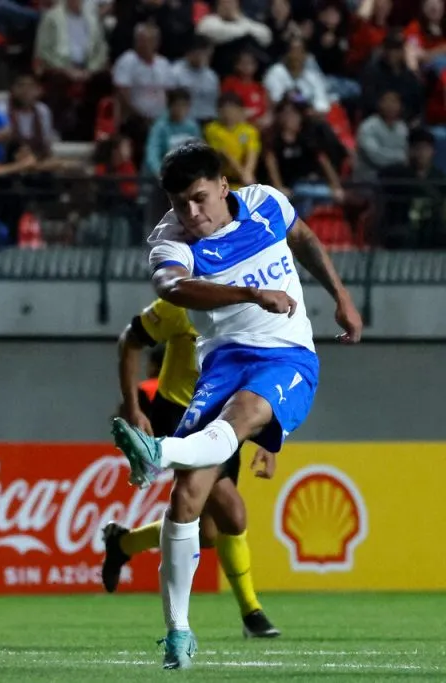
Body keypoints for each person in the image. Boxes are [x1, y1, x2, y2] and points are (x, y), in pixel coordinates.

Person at [110, 141, 362, 669]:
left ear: (224, 185)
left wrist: (339, 296)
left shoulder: (267, 202)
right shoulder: (169, 241)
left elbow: (304, 237)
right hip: (221, 363)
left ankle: (159, 451)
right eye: (181, 204)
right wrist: (249, 296)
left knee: (244, 414)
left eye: (200, 198)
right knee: (187, 500)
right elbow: (176, 292)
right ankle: (178, 633)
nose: (192, 213)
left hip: (286, 357)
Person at [105, 296, 280, 639]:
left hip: (227, 420)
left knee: (207, 535)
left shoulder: (251, 310)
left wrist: (269, 440)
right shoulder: (180, 303)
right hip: (181, 416)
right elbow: (129, 341)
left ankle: (122, 544)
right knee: (234, 513)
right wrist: (132, 406)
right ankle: (251, 612)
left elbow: (264, 375)